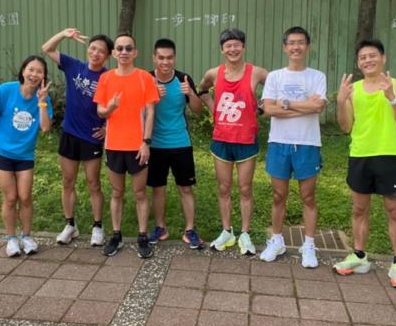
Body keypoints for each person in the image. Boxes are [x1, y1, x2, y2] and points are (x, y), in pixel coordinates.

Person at [334, 39, 396, 289]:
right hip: (360, 155)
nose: (368, 60)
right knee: (359, 209)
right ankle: (359, 256)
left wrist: (391, 97)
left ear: (383, 58)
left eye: (372, 55)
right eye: (363, 57)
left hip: (389, 154)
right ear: (358, 63)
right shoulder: (353, 89)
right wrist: (341, 102)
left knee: (394, 210)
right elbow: (346, 126)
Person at [259, 26, 327, 268]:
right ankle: (276, 240)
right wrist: (304, 106)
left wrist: (286, 103)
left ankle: (309, 244)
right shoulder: (275, 77)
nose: (296, 47)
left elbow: (318, 107)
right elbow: (268, 109)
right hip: (279, 142)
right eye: (291, 43)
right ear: (285, 47)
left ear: (307, 47)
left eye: (300, 42)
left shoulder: (317, 76)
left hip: (307, 143)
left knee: (308, 196)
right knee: (279, 195)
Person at [197, 28, 268, 255]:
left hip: (246, 140)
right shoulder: (214, 73)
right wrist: (213, 108)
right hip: (222, 139)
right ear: (222, 49)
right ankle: (227, 230)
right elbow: (201, 90)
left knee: (245, 188)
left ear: (243, 47)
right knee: (224, 187)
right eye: (228, 45)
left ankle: (245, 233)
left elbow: (276, 87)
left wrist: (263, 107)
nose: (233, 49)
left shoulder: (256, 72)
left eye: (237, 44)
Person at [42, 28, 113, 247]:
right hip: (69, 133)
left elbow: (117, 106)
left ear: (107, 56)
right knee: (68, 181)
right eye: (93, 48)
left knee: (93, 183)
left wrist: (107, 128)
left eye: (101, 51)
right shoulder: (74, 66)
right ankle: (70, 225)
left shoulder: (108, 78)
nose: (95, 53)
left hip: (91, 137)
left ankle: (98, 227)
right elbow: (47, 49)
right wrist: (63, 34)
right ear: (88, 49)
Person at [93, 33, 160, 258]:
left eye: (128, 48)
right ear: (113, 53)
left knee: (140, 193)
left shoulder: (144, 78)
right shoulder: (106, 78)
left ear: (135, 52)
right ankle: (116, 235)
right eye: (120, 48)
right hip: (113, 145)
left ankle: (142, 236)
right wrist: (111, 107)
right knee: (117, 192)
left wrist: (146, 142)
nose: (124, 52)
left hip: (138, 146)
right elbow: (100, 111)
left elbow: (150, 112)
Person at [0, 55, 52, 257]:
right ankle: (11, 238)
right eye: (31, 69)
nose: (34, 74)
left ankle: (26, 236)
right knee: (11, 198)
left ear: (44, 76)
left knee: (26, 197)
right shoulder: (5, 90)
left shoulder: (44, 98)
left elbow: (46, 128)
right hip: (2, 152)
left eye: (39, 71)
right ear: (23, 71)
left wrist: (42, 102)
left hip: (25, 155)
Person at [146, 38, 205, 249]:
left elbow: (197, 110)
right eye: (161, 57)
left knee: (185, 188)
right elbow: (139, 112)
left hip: (180, 142)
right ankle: (160, 227)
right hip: (155, 144)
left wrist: (190, 93)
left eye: (169, 57)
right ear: (154, 58)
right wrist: (153, 97)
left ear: (175, 58)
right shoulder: (147, 79)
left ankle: (190, 230)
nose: (165, 62)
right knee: (158, 189)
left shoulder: (183, 79)